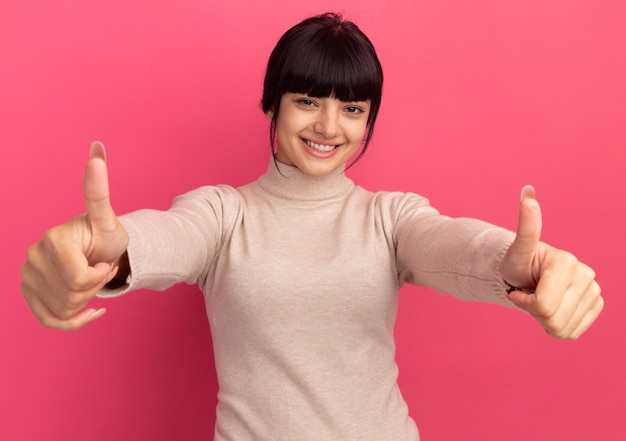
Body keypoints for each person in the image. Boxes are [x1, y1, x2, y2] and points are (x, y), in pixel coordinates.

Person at [20, 12, 603, 440]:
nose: (329, 126)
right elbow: (166, 237)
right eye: (307, 100)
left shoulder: (388, 217)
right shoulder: (224, 214)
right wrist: (107, 250)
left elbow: (452, 243)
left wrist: (522, 264)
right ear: (271, 105)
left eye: (352, 109)